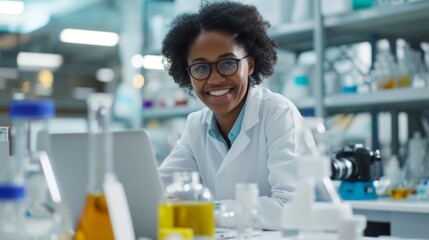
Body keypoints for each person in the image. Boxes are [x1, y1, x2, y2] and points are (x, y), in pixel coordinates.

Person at [158, 0, 317, 230]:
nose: (214, 79)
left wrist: (206, 211)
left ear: (250, 65)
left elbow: (292, 208)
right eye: (201, 68)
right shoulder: (196, 125)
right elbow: (157, 191)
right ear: (188, 74)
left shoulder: (278, 114)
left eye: (228, 64)